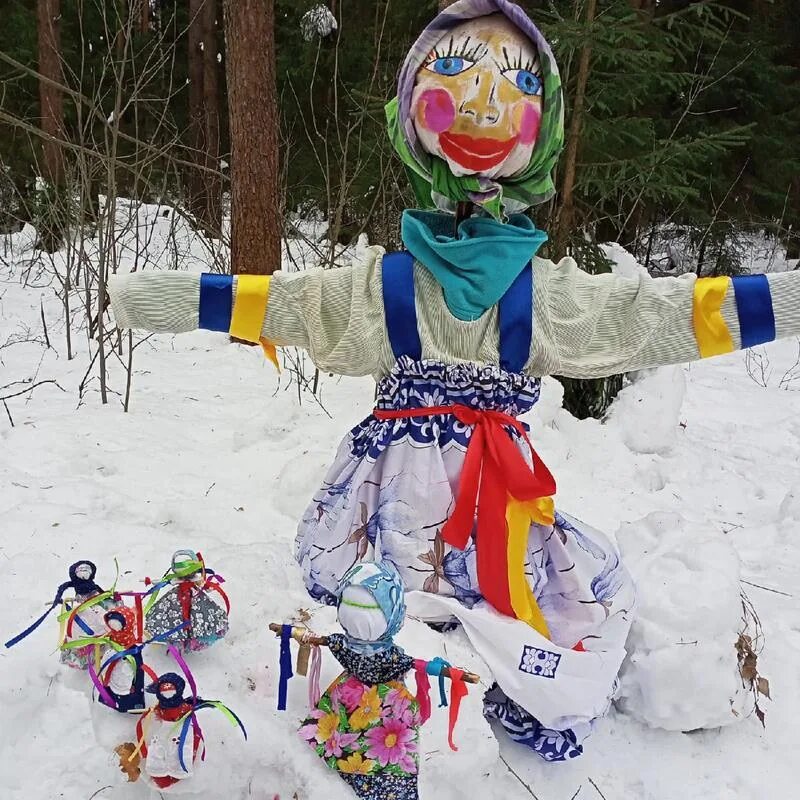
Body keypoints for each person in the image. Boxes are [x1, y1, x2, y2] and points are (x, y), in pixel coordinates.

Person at [106, 0, 800, 761]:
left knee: (490, 601)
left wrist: (778, 305)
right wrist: (181, 300)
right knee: (386, 603)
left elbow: (655, 316)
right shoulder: (393, 288)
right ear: (414, 112)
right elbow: (293, 306)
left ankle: (440, 674)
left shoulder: (535, 299)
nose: (483, 104)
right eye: (456, 79)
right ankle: (406, 673)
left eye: (511, 88)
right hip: (408, 504)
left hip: (472, 504)